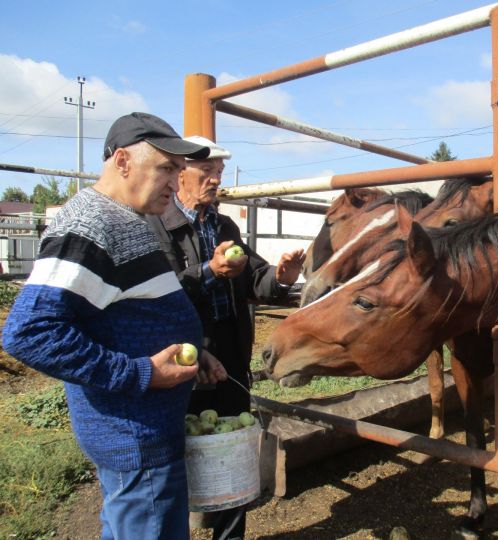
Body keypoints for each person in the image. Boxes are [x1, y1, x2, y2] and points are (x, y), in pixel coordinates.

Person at [2, 112, 223, 540]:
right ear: (122, 161)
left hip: (143, 434)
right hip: (136, 438)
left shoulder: (125, 219)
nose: (176, 183)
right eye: (165, 168)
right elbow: (29, 332)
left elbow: (130, 311)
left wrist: (192, 348)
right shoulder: (92, 225)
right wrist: (141, 373)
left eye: (179, 171)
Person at [146, 135, 305, 540]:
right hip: (183, 357)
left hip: (230, 353)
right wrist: (208, 273)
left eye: (218, 172)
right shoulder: (156, 224)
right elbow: (158, 292)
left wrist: (280, 277)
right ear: (181, 173)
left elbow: (254, 277)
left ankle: (230, 535)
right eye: (208, 171)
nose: (216, 179)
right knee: (179, 453)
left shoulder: (224, 225)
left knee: (233, 448)